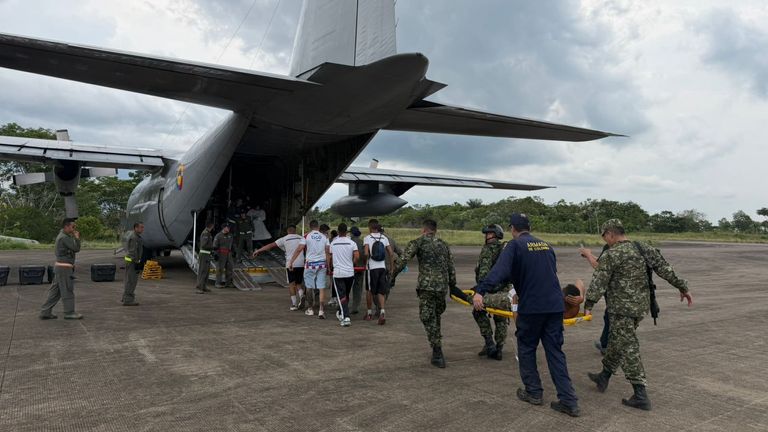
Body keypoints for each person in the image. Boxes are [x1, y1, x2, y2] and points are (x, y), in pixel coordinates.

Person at [474, 213, 580, 417]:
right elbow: (550, 272)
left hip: (533, 307)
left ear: (513, 229)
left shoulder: (515, 246)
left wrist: (481, 290)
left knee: (527, 348)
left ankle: (533, 392)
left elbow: (500, 271)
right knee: (555, 352)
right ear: (528, 228)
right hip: (555, 306)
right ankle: (569, 401)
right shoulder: (546, 245)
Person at [581, 219, 693, 411]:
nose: (605, 240)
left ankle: (640, 394)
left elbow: (599, 281)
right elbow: (665, 268)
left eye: (604, 236)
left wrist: (589, 304)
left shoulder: (612, 254)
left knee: (628, 348)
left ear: (610, 234)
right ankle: (604, 376)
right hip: (640, 308)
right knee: (618, 342)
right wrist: (682, 287)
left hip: (621, 310)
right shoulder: (643, 248)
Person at [393, 219, 456, 368]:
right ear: (435, 230)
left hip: (427, 287)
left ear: (423, 230)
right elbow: (451, 266)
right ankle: (437, 345)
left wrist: (391, 277)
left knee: (427, 317)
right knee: (435, 316)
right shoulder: (444, 244)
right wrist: (453, 285)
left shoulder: (418, 242)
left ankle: (437, 351)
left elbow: (403, 260)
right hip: (441, 288)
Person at [473, 223, 512, 360]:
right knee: (501, 317)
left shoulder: (488, 249)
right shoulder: (505, 249)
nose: (486, 236)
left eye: (488, 234)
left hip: (489, 289)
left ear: (493, 235)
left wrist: (480, 290)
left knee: (477, 311)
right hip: (505, 290)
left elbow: (483, 273)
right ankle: (499, 348)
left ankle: (490, 344)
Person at [253, 225, 306, 311]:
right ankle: (301, 295)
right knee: (299, 283)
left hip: (290, 264)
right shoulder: (301, 238)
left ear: (287, 231)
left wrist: (258, 251)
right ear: (295, 231)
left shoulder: (284, 239)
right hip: (301, 263)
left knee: (291, 284)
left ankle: (294, 304)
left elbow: (270, 245)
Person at [40, 218, 83, 320]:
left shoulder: (64, 236)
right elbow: (76, 248)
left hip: (60, 267)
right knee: (67, 290)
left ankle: (45, 311)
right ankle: (69, 312)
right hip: (64, 269)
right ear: (66, 226)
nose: (74, 229)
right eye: (73, 227)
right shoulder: (64, 237)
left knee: (55, 292)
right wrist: (77, 238)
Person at [289, 220, 329, 318]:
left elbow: (299, 249)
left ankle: (310, 309)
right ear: (318, 227)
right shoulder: (324, 237)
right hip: (322, 264)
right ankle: (321, 310)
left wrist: (291, 261)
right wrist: (328, 265)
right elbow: (327, 251)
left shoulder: (306, 236)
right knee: (321, 288)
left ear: (310, 226)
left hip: (310, 264)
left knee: (309, 287)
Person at [363, 219, 394, 324]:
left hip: (371, 268)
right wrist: (392, 267)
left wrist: (365, 261)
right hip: (382, 267)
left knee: (370, 290)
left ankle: (369, 313)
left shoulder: (367, 238)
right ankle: (382, 312)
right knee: (381, 291)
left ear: (370, 227)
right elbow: (390, 253)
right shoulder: (384, 237)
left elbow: (366, 253)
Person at [329, 223, 359, 327]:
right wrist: (352, 263)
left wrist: (330, 267)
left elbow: (330, 257)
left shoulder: (333, 243)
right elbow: (356, 257)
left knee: (341, 295)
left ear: (338, 231)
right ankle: (342, 312)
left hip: (338, 273)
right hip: (349, 272)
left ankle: (346, 316)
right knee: (346, 294)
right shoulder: (352, 243)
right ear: (346, 232)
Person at [122, 222, 144, 306]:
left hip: (130, 261)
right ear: (136, 228)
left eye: (143, 227)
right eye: (141, 227)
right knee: (131, 281)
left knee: (129, 280)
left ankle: (125, 298)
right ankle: (128, 300)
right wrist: (136, 262)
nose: (142, 229)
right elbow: (132, 252)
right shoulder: (134, 238)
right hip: (132, 262)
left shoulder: (134, 236)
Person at [213, 223, 235, 288]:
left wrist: (234, 251)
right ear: (224, 228)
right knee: (220, 269)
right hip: (221, 254)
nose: (229, 228)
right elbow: (215, 246)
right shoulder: (218, 236)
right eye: (227, 227)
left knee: (230, 268)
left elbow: (232, 244)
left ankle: (228, 283)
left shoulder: (230, 235)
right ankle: (217, 283)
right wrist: (215, 254)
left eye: (229, 227)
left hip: (229, 254)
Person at [349, 226, 365, 314]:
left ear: (351, 233)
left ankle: (343, 304)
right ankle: (355, 306)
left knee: (346, 287)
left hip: (348, 267)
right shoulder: (362, 242)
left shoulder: (349, 241)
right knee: (358, 288)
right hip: (360, 267)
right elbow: (365, 254)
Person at [196, 221, 215, 294]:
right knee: (202, 271)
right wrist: (212, 247)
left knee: (206, 271)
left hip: (207, 254)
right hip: (204, 255)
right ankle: (199, 287)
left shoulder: (208, 233)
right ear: (211, 226)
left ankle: (204, 286)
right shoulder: (205, 233)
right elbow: (203, 245)